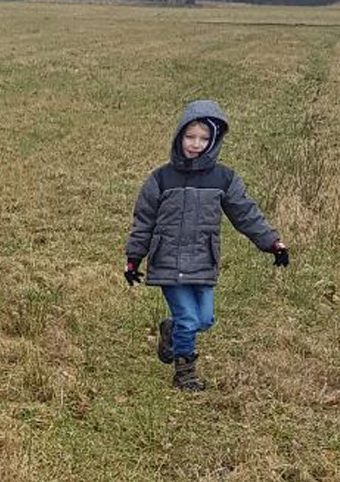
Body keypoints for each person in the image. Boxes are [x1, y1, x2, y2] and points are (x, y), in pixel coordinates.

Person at [124, 99, 289, 392]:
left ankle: (171, 331)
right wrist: (134, 258)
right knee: (188, 319)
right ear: (179, 136)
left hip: (203, 259)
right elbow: (144, 219)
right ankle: (184, 373)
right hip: (168, 262)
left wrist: (272, 242)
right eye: (190, 137)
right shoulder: (161, 178)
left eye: (203, 138)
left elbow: (245, 213)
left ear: (214, 141)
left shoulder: (224, 179)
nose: (196, 144)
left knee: (204, 319)